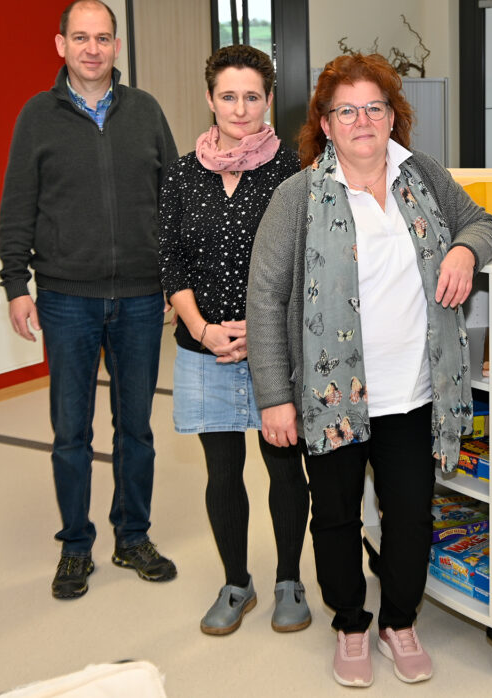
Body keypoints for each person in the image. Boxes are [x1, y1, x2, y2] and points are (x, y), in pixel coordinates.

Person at [246, 53, 492, 688]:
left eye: (376, 107)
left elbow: (483, 222)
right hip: (331, 397)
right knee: (334, 517)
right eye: (346, 110)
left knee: (412, 516)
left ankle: (399, 621)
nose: (363, 120)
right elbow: (266, 299)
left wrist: (466, 249)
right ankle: (352, 626)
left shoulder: (423, 176)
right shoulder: (298, 195)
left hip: (415, 392)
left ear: (394, 115)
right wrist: (275, 397)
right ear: (325, 125)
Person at [0, 0, 178, 599]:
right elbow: (17, 206)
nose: (92, 48)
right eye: (81, 38)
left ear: (117, 48)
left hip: (141, 297)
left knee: (136, 430)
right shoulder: (36, 116)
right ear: (61, 45)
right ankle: (76, 546)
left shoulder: (146, 112)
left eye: (103, 38)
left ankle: (133, 538)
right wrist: (15, 286)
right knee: (70, 431)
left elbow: (172, 205)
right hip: (66, 299)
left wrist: (176, 281)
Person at [158, 45, 310, 636]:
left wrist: (263, 327)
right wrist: (200, 328)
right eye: (229, 96)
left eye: (252, 96)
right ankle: (236, 582)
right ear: (209, 99)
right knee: (222, 473)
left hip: (274, 349)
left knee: (283, 467)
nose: (240, 108)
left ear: (268, 100)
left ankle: (290, 581)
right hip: (204, 348)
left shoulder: (293, 172)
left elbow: (304, 262)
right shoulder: (181, 172)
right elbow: (170, 259)